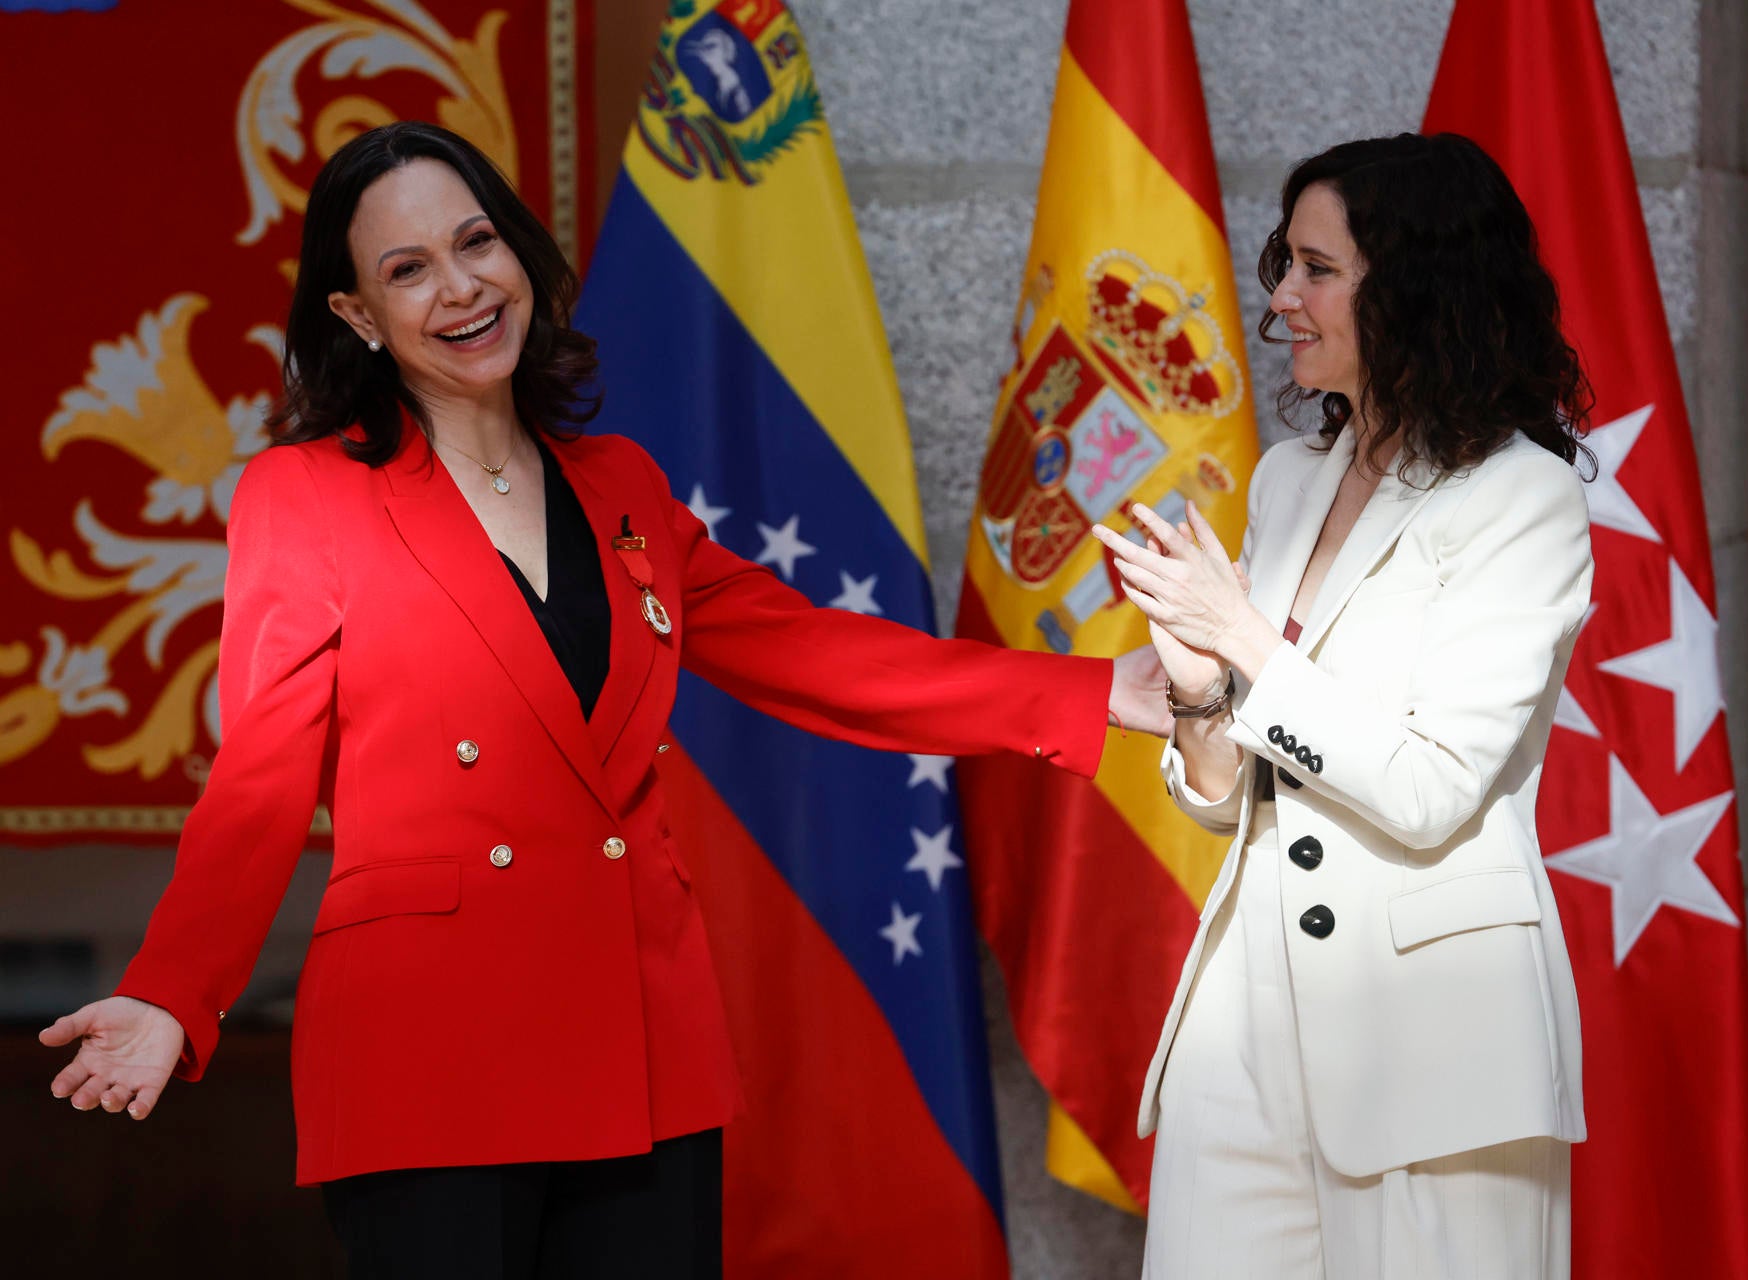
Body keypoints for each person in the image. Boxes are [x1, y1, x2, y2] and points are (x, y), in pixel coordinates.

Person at [39, 121, 1167, 1279]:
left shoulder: (619, 482)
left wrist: (1092, 692)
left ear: (520, 253)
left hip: (640, 1043)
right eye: (407, 269)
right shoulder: (307, 493)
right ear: (358, 317)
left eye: (477, 242)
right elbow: (263, 775)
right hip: (428, 1053)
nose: (461, 285)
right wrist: (175, 990)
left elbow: (815, 650)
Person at [1092, 133, 1595, 1279]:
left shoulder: (1524, 496)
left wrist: (1243, 644)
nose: (1281, 295)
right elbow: (1227, 801)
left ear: (1415, 289)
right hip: (1240, 1032)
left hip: (1435, 1031)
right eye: (1287, 262)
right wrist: (1201, 690)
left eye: (1317, 268)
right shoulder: (1285, 478)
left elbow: (1427, 789)